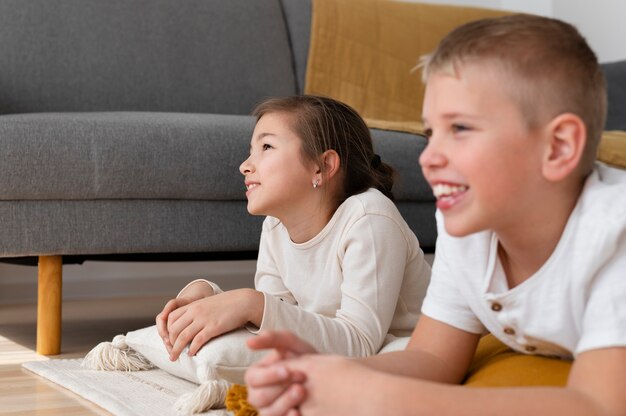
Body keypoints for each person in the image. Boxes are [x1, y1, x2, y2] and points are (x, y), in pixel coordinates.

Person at [243, 14, 626, 416]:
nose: (429, 157)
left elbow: (600, 405)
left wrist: (374, 397)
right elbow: (434, 358)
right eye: (430, 134)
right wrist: (330, 374)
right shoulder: (470, 233)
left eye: (460, 128)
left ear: (558, 148)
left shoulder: (612, 235)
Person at [155, 95, 432, 363]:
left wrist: (250, 303)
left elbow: (360, 343)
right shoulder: (275, 225)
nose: (244, 166)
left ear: (322, 167)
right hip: (341, 347)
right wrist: (211, 299)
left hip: (404, 347)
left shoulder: (370, 218)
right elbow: (278, 318)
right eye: (251, 151)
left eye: (266, 147)